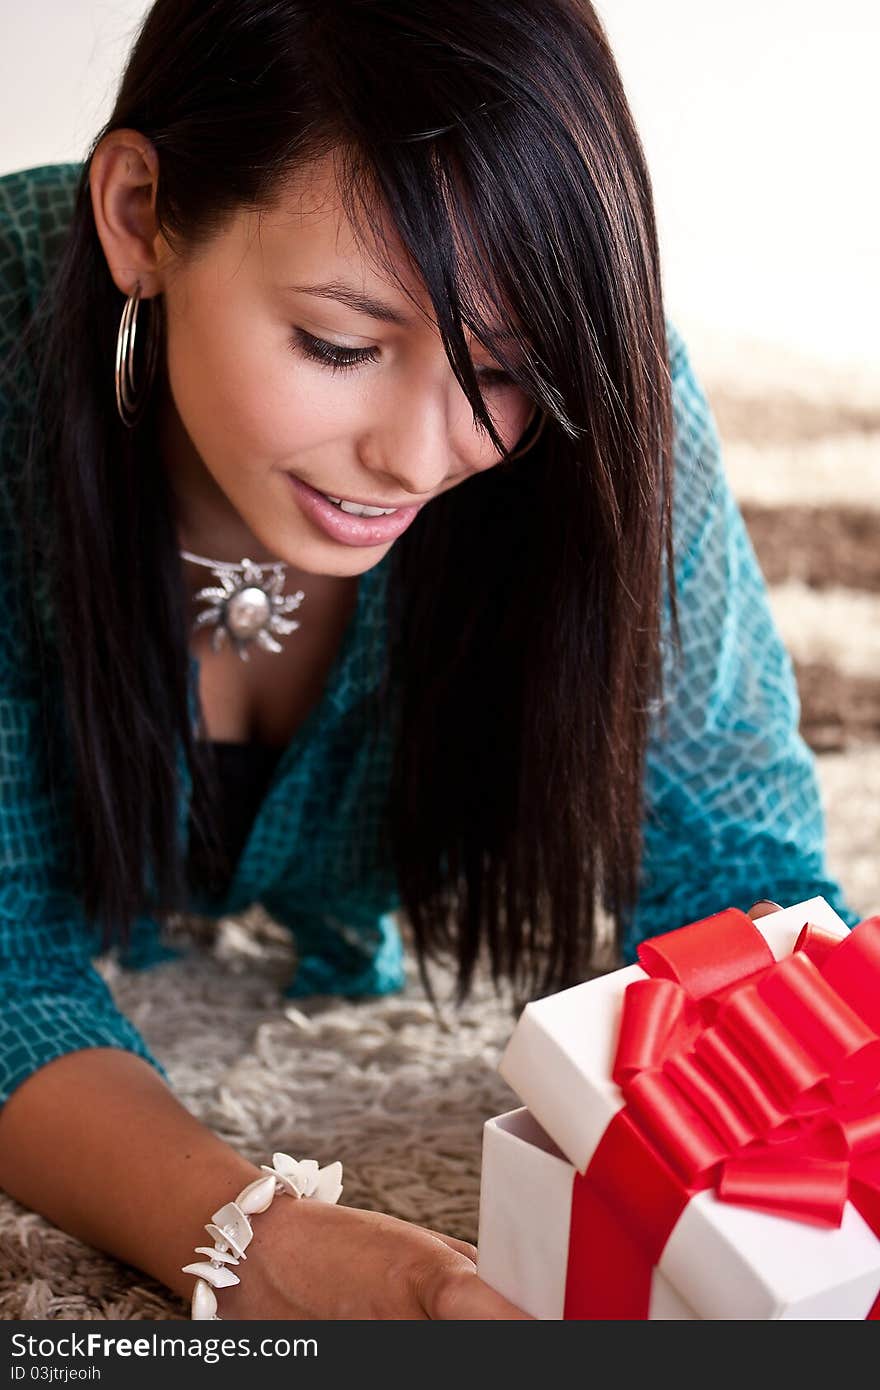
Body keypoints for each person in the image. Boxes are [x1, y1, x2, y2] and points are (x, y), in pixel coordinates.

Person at [0, 0, 858, 1321]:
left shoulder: (602, 415)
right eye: (341, 346)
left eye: (502, 372)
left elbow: (731, 879)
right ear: (140, 214)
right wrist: (252, 1238)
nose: (420, 452)